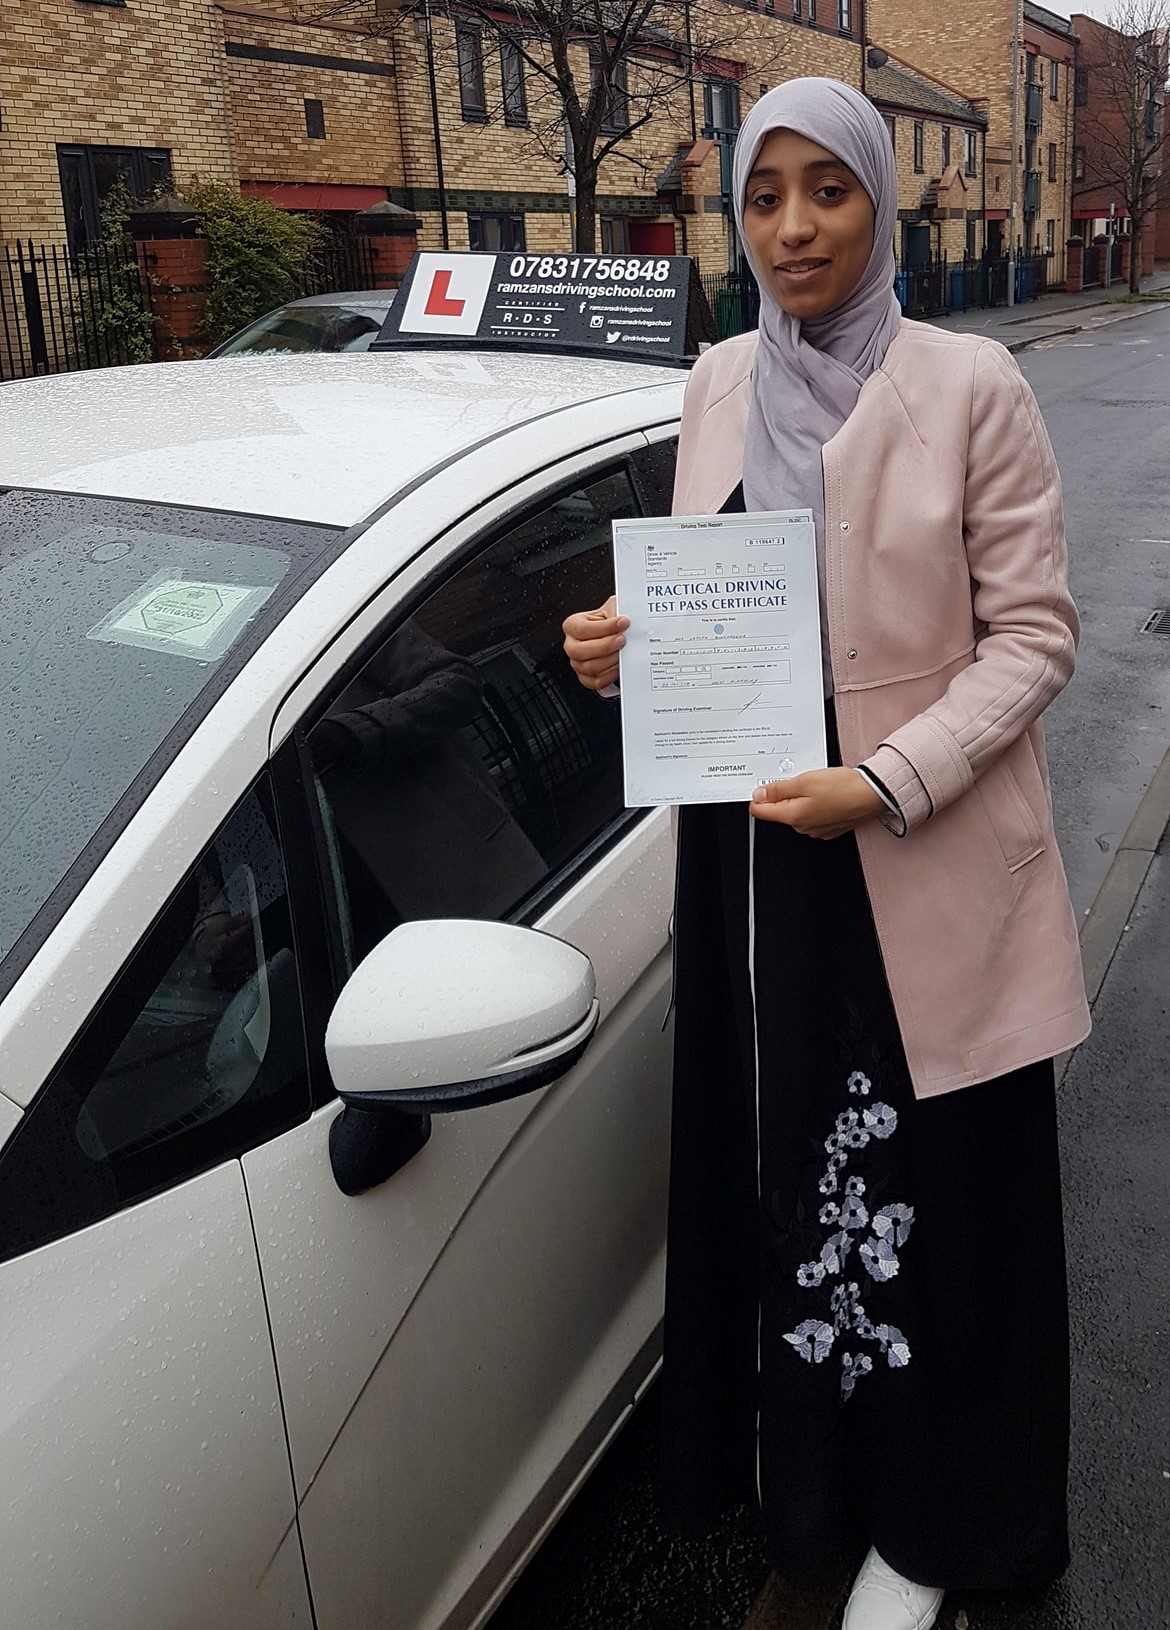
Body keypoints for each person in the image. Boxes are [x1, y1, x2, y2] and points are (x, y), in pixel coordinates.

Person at [562, 78, 1090, 1630]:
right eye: (764, 193)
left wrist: (886, 778)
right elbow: (705, 599)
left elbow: (1037, 638)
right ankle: (819, 1506)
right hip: (763, 867)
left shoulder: (969, 381)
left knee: (947, 1206)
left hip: (917, 860)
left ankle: (940, 1531)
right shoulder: (719, 375)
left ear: (880, 203)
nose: (792, 228)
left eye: (828, 191)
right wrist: (614, 649)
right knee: (798, 1193)